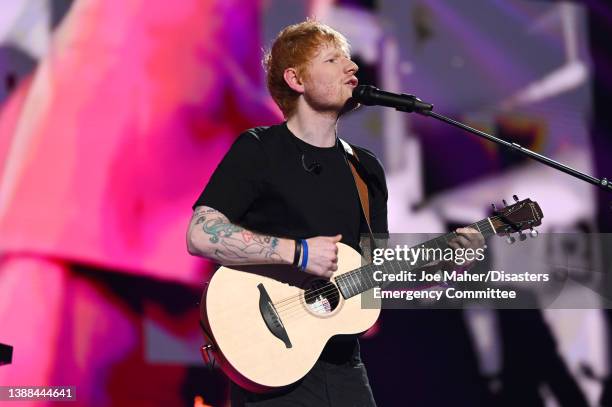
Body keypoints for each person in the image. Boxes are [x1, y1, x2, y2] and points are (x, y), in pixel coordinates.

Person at [187, 19, 484, 406]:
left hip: (344, 369)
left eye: (349, 59)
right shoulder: (260, 149)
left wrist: (444, 264)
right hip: (271, 365)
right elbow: (200, 233)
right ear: (296, 79)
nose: (353, 68)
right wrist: (298, 252)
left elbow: (376, 277)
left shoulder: (365, 169)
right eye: (333, 59)